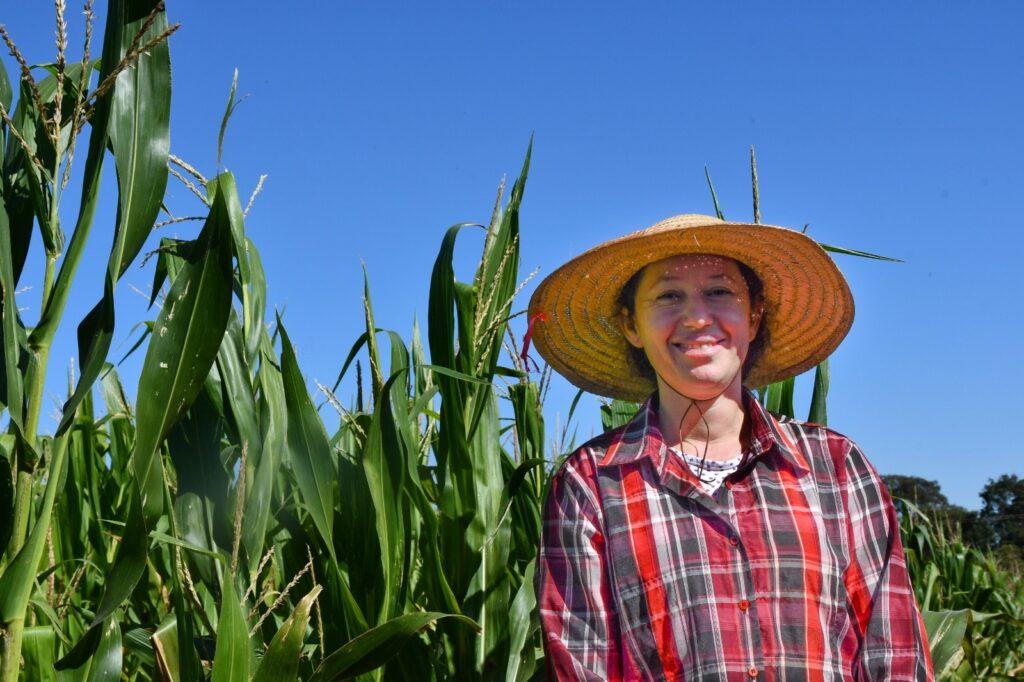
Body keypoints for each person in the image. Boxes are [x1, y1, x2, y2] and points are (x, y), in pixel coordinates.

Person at [527, 214, 934, 680]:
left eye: (720, 292)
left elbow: (895, 655)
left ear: (754, 315)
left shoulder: (836, 469)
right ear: (631, 326)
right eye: (667, 296)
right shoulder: (591, 485)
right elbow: (584, 664)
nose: (698, 317)